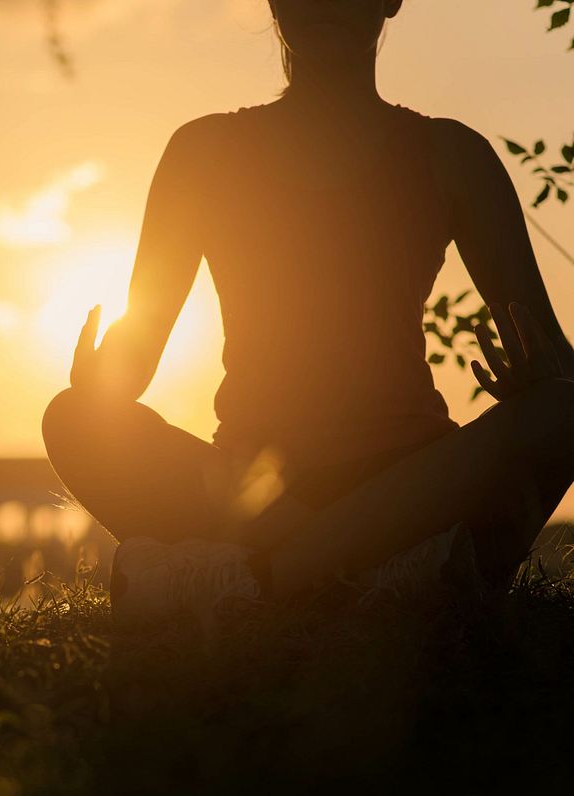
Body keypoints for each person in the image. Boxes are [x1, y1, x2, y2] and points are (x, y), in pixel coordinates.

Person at [41, 0, 574, 615]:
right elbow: (132, 364)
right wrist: (100, 382)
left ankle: (257, 580)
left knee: (563, 411)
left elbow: (556, 367)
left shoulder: (451, 154)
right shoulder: (203, 151)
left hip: (416, 485)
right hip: (255, 488)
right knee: (71, 419)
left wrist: (536, 382)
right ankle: (376, 572)